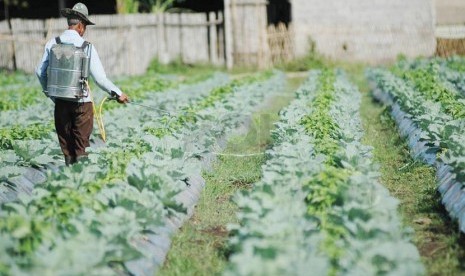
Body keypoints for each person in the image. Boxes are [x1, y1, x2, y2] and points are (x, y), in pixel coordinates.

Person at [36, 3, 129, 166]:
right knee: (81, 148)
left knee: (67, 148)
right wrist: (118, 93)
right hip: (82, 105)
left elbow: (40, 72)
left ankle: (70, 180)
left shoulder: (53, 43)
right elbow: (100, 79)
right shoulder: (87, 47)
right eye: (84, 26)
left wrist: (50, 93)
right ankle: (81, 182)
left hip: (61, 103)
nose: (84, 29)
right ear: (80, 25)